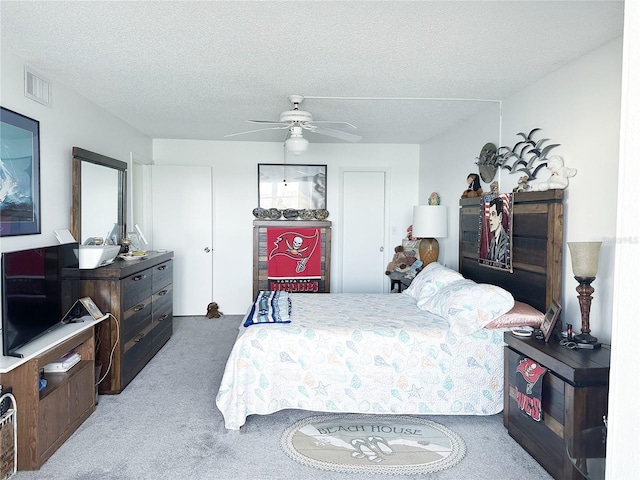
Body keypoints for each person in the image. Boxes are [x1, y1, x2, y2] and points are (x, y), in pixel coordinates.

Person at [488, 196, 508, 263]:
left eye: (493, 214)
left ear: (500, 217)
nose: (490, 218)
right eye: (489, 214)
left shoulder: (505, 241)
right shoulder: (493, 241)